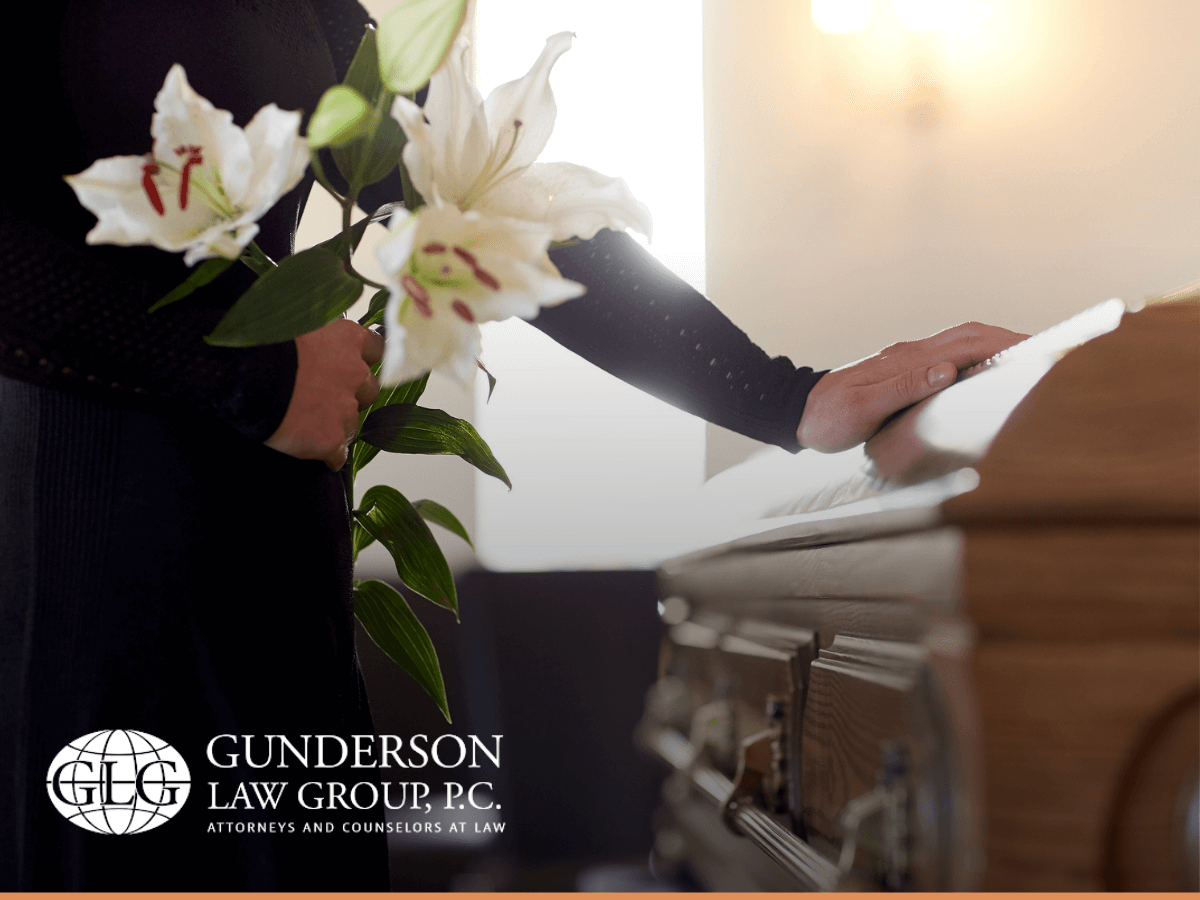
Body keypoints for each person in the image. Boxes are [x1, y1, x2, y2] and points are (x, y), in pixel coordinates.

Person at [0, 0, 1023, 890]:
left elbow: (488, 202)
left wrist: (788, 397)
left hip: (267, 565)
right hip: (71, 564)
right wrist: (244, 370)